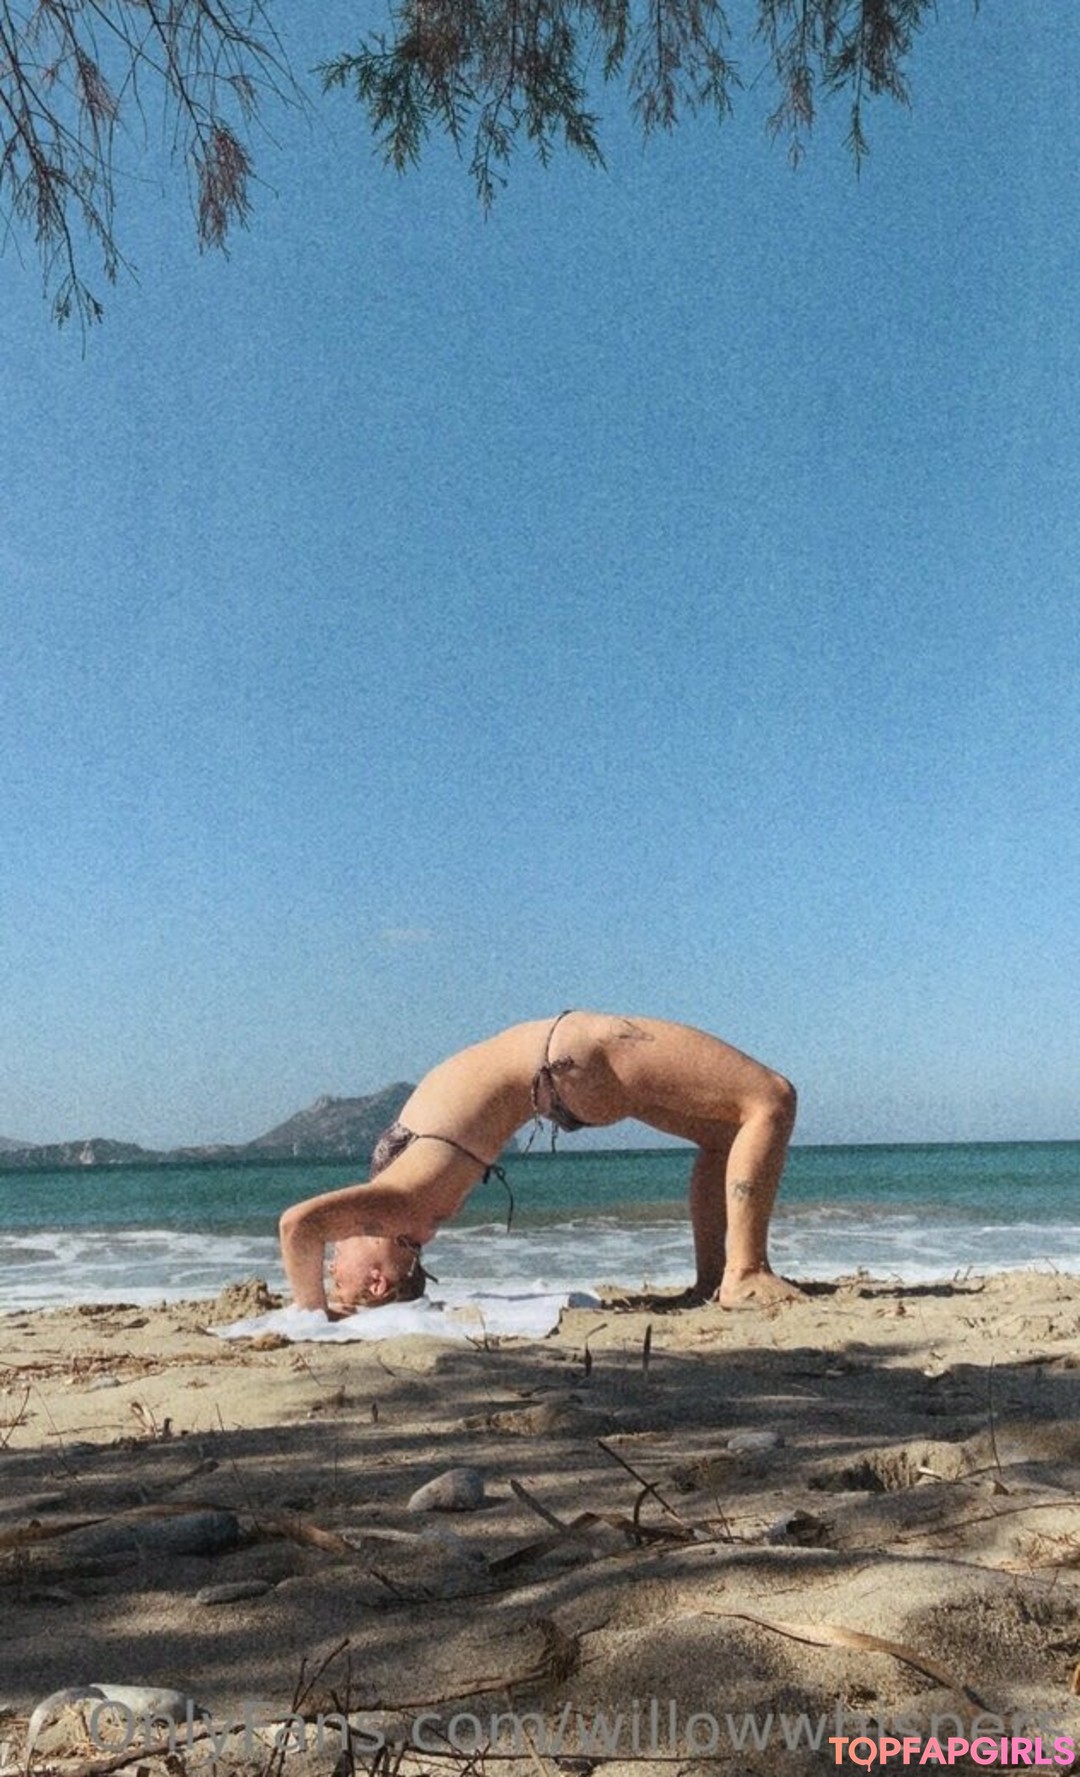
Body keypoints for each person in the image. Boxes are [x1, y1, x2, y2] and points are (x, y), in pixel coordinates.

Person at [278, 1011, 801, 1316]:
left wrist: (332, 1307)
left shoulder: (407, 1196)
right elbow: (298, 1226)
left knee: (724, 1137)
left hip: (563, 1082)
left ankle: (714, 1278)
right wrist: (313, 1313)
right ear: (377, 1279)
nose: (330, 1265)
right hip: (572, 1056)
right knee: (770, 1098)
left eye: (330, 1272)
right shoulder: (406, 1207)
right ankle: (744, 1272)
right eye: (338, 1277)